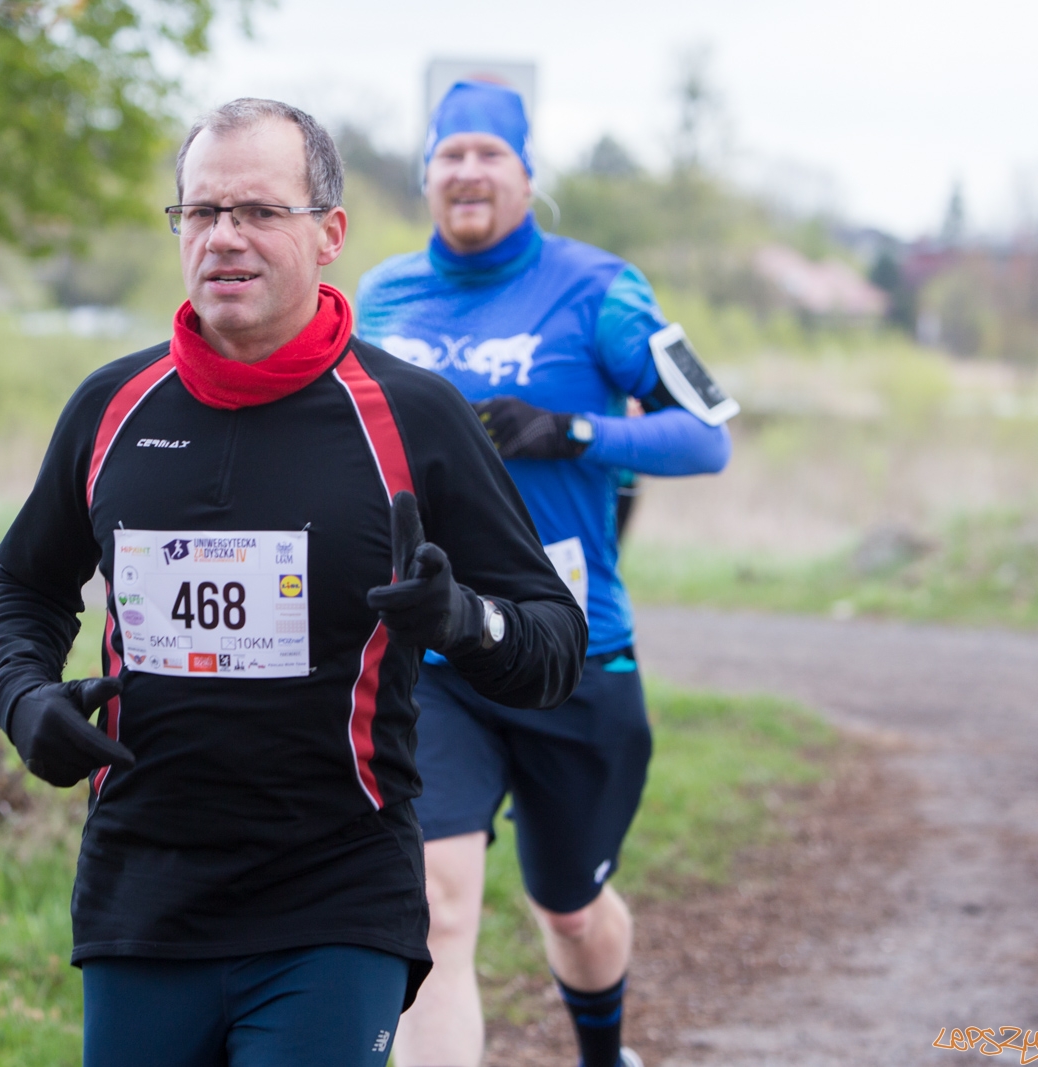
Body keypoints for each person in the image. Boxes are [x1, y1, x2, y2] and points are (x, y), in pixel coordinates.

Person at [0, 98, 587, 1067]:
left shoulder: (414, 417)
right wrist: (21, 699)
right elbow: (23, 583)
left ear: (329, 234)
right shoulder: (111, 407)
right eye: (201, 212)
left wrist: (463, 620)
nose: (224, 236)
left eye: (259, 211)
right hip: (144, 891)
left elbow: (554, 641)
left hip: (334, 894)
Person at [356, 80, 734, 1067]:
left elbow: (708, 435)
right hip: (439, 656)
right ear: (426, 175)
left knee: (567, 909)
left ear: (527, 177)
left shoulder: (600, 290)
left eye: (491, 154)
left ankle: (604, 1051)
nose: (468, 171)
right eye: (450, 154)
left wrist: (575, 431)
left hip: (574, 649)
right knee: (435, 905)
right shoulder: (386, 295)